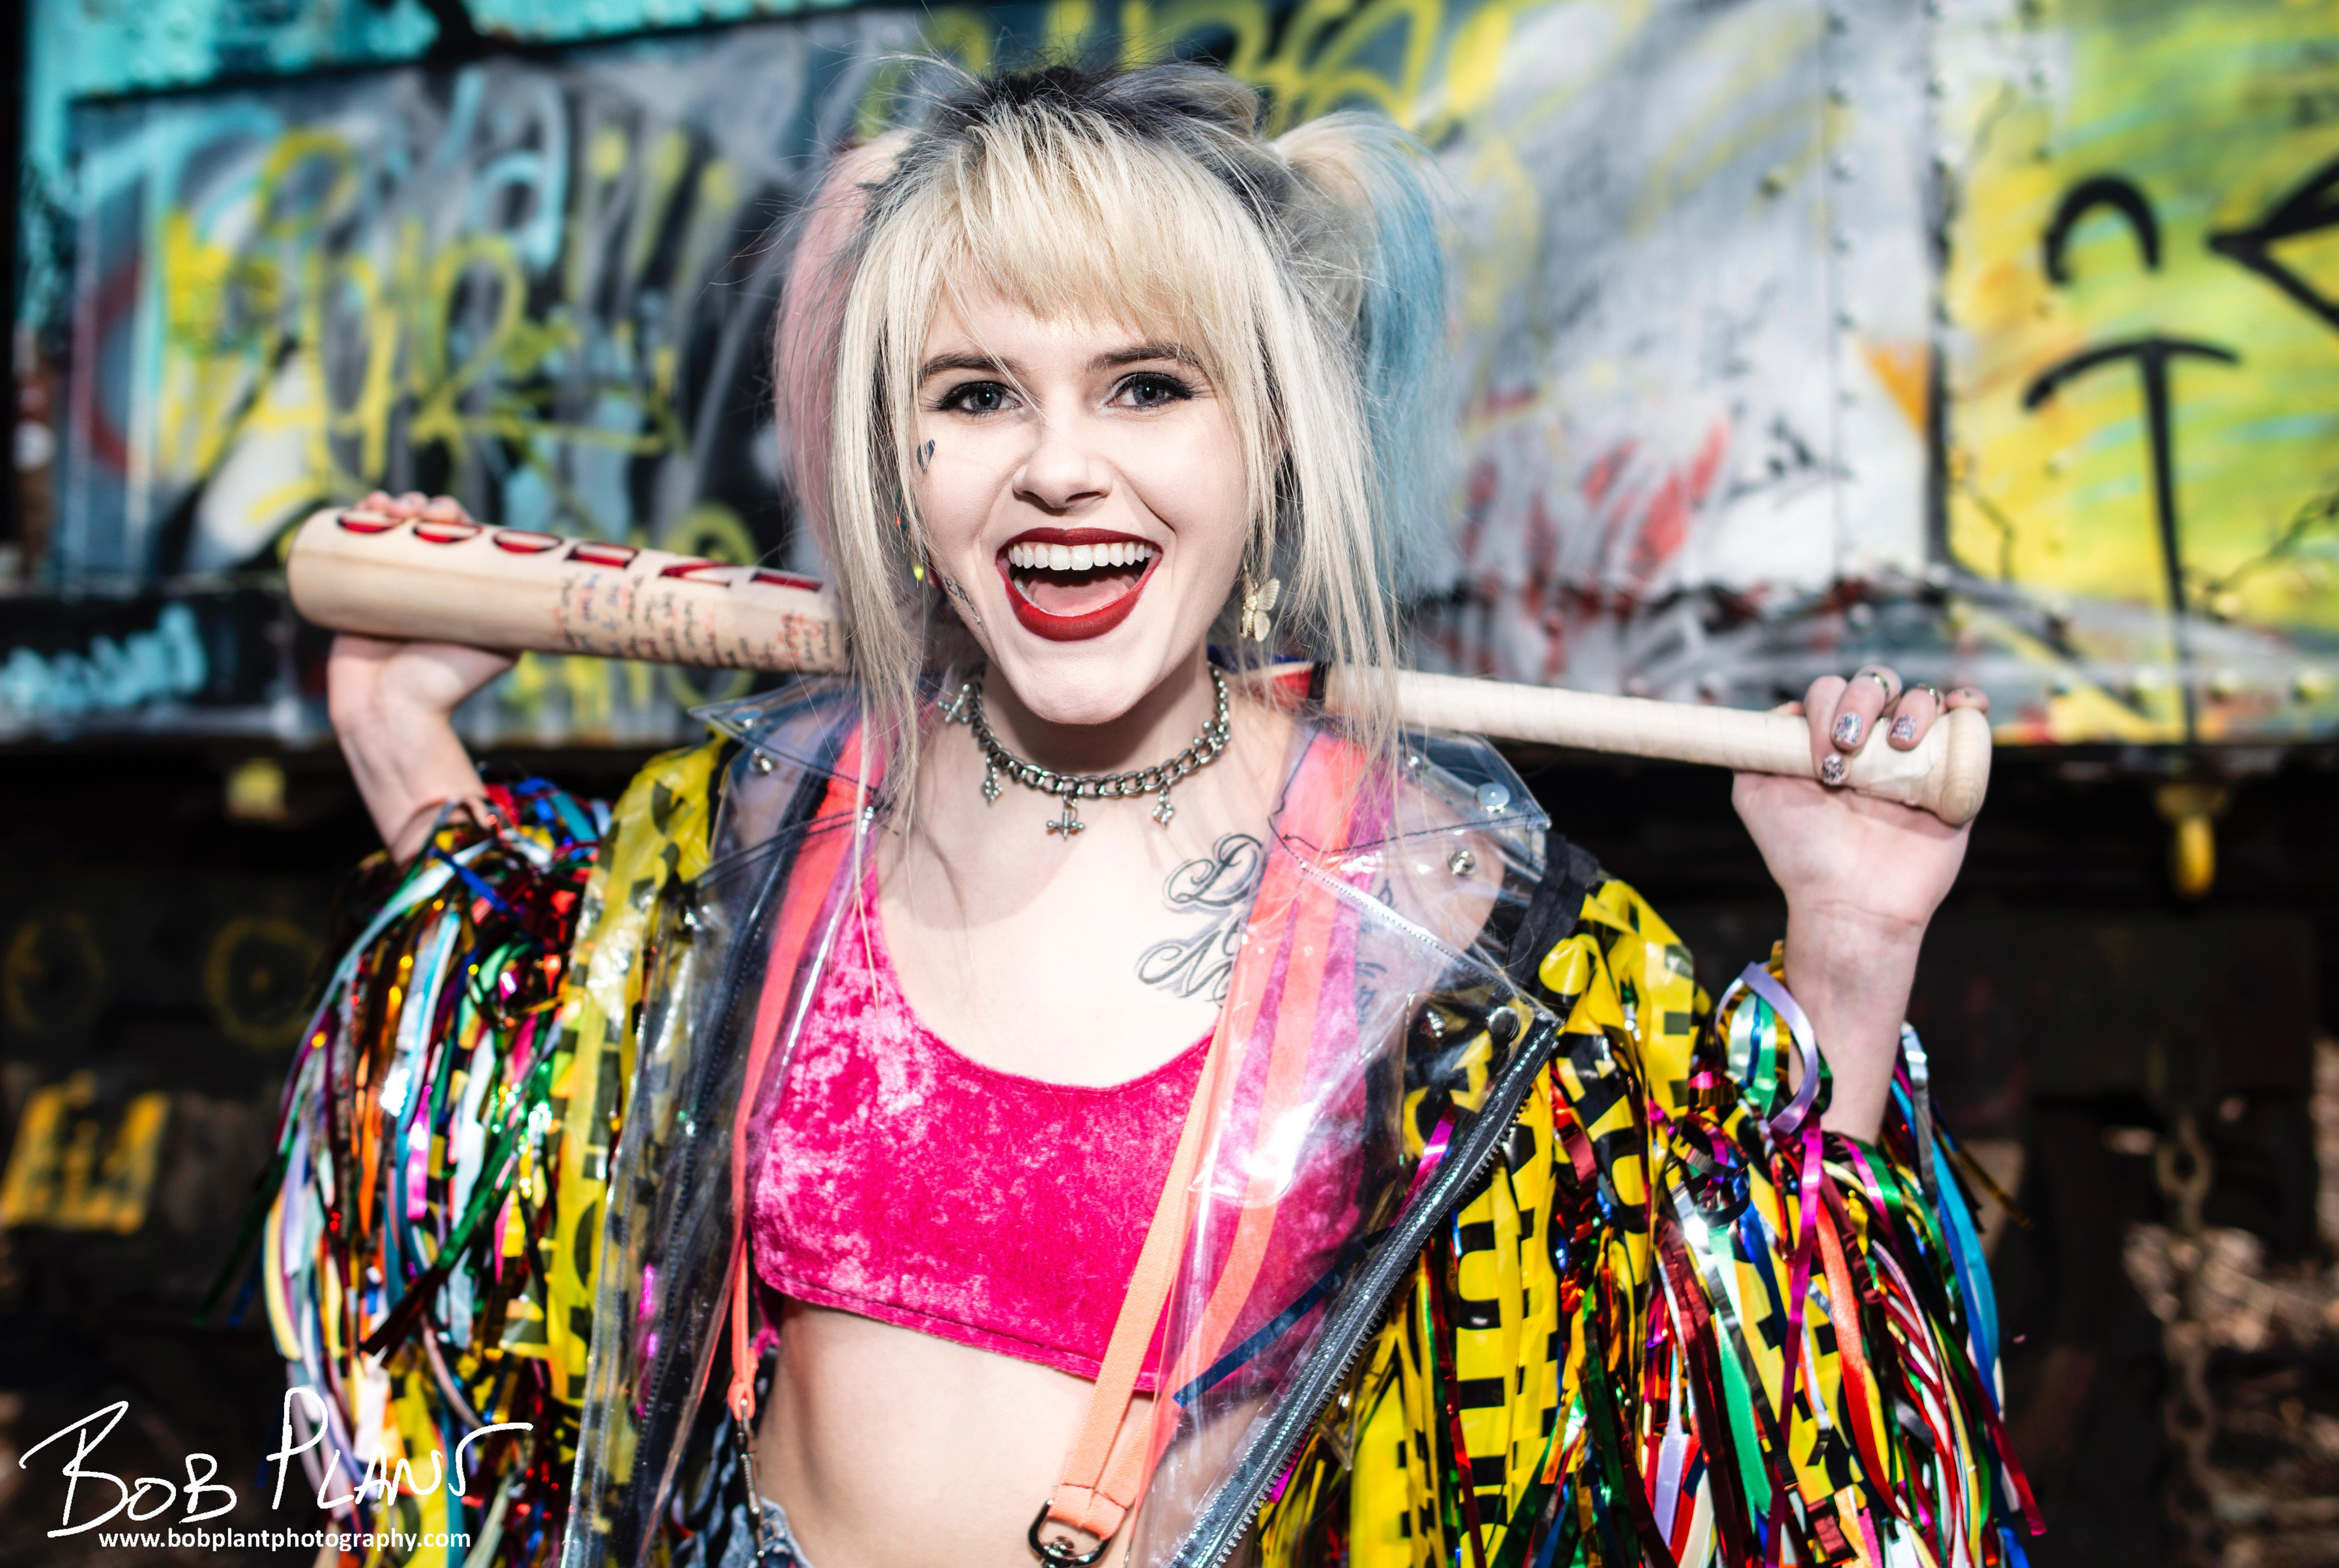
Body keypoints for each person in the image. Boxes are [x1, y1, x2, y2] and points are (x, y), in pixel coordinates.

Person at [290, 61, 2028, 1568]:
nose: (1062, 467)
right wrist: (395, 732)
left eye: (1148, 385)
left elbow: (1745, 1370)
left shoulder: (1449, 915)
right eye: (977, 394)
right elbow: (500, 1141)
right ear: (900, 457)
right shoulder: (768, 825)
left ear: (1270, 441)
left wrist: (1851, 946)